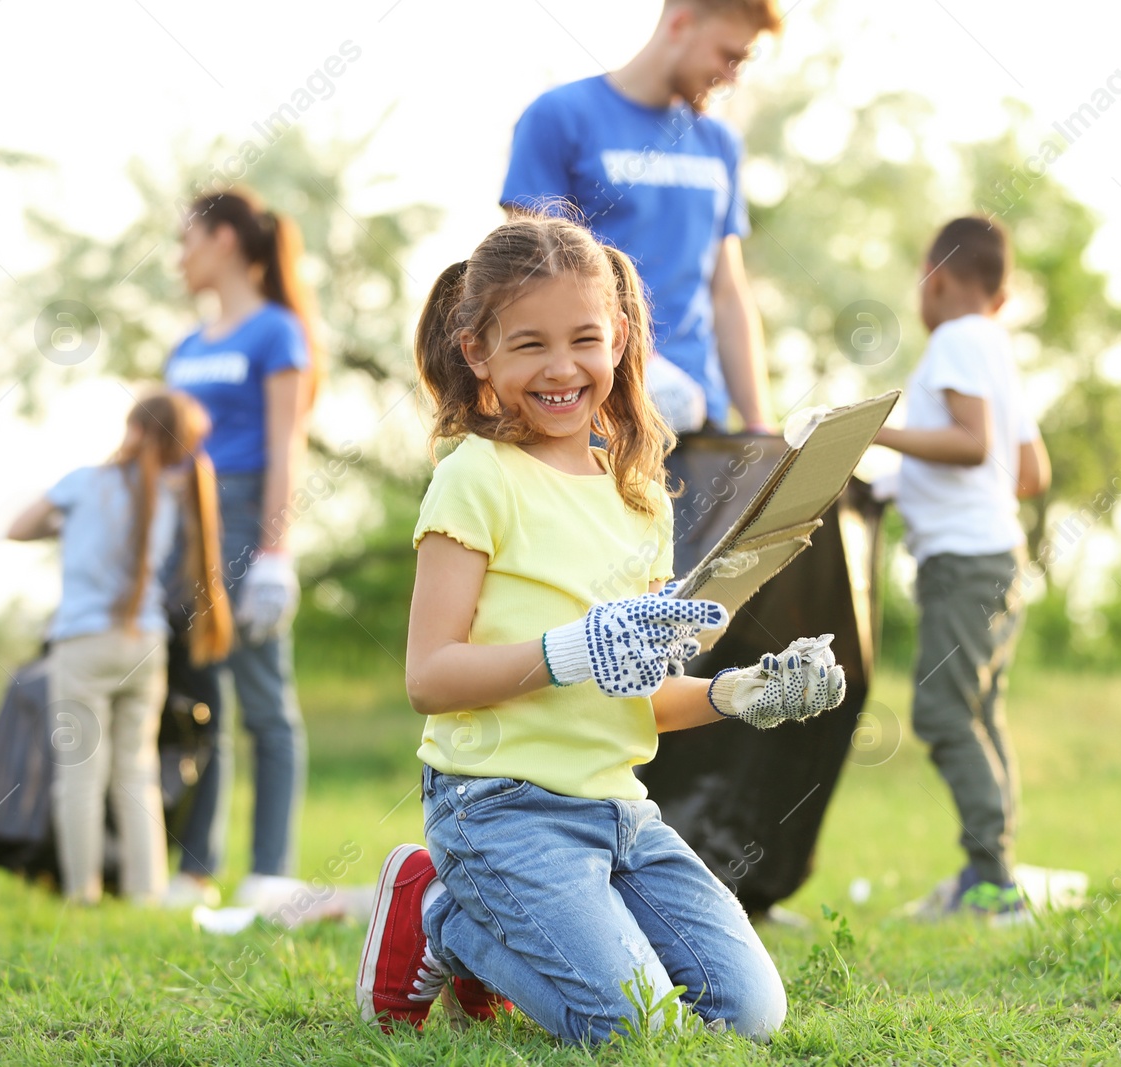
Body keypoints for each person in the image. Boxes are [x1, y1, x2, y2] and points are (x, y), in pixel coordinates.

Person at [352, 213, 847, 1043]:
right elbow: (428, 677)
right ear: (477, 351)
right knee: (635, 1027)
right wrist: (570, 650)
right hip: (496, 805)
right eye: (528, 345)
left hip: (619, 811)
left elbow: (642, 696)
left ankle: (504, 931)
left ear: (618, 336)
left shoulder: (641, 497)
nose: (561, 368)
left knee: (749, 1013)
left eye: (583, 338)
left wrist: (741, 692)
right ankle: (441, 907)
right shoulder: (474, 477)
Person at [872, 217, 1051, 924]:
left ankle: (996, 883)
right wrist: (902, 485)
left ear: (935, 278)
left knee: (943, 711)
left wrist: (870, 432)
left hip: (965, 562)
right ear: (1002, 296)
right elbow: (1028, 470)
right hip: (1001, 555)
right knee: (981, 711)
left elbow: (973, 446)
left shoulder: (953, 340)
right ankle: (990, 870)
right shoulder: (995, 348)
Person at [500, 0, 781, 433]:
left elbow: (727, 293)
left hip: (698, 416)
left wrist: (760, 428)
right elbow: (527, 277)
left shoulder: (718, 143)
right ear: (683, 24)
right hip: (592, 415)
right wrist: (634, 361)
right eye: (729, 56)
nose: (732, 76)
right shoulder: (559, 117)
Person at [160, 187, 320, 907]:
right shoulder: (186, 347)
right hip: (184, 532)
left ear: (225, 239)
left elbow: (288, 444)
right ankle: (196, 869)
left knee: (265, 704)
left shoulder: (276, 331)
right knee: (201, 705)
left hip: (249, 519)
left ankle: (271, 870)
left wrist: (276, 554)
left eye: (187, 241)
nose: (180, 258)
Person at [8, 391, 231, 905]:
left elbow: (19, 528)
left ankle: (81, 891)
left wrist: (62, 525)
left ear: (134, 429)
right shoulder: (175, 493)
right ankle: (146, 889)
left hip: (82, 642)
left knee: (81, 772)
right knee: (136, 768)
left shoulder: (83, 483)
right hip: (144, 643)